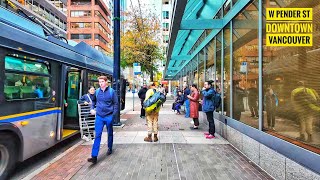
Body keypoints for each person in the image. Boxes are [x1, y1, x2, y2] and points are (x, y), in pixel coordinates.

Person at [87, 76, 118, 164]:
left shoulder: (112, 92)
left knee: (110, 133)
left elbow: (116, 104)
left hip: (109, 116)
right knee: (97, 135)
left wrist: (113, 116)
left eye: (102, 82)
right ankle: (94, 156)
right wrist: (92, 108)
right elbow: (93, 101)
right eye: (99, 82)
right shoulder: (97, 92)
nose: (100, 83)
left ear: (106, 82)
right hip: (99, 116)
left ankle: (110, 148)